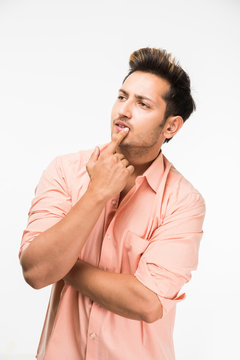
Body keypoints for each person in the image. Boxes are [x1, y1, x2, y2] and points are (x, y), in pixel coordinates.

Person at [19, 47, 206, 360]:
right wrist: (96, 194)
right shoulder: (66, 171)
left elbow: (147, 303)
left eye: (142, 103)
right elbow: (36, 272)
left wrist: (62, 265)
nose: (124, 110)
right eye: (122, 97)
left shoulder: (184, 202)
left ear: (170, 126)